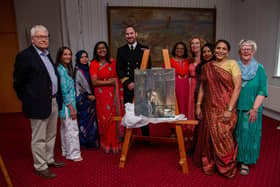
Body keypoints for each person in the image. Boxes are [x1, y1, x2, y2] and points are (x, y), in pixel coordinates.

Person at [13, 25, 64, 179]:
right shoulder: (25, 56)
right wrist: (29, 99)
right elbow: (18, 83)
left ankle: (49, 159)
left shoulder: (47, 54)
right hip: (37, 104)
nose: (43, 39)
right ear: (32, 39)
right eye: (40, 37)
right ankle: (40, 166)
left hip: (53, 101)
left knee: (51, 134)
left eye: (46, 36)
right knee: (39, 137)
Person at [194, 39, 241, 178]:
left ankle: (227, 165)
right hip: (209, 107)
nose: (220, 51)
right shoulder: (207, 66)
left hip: (226, 106)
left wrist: (229, 109)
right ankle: (211, 162)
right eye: (218, 48)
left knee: (224, 134)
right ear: (214, 50)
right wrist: (198, 105)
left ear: (228, 51)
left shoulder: (232, 64)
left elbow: (237, 87)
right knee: (209, 136)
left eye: (224, 49)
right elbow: (203, 87)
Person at [235, 40, 268, 175]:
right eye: (243, 49)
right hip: (235, 107)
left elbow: (262, 90)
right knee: (235, 134)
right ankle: (234, 158)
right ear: (239, 52)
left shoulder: (259, 68)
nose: (246, 51)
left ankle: (245, 162)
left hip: (252, 109)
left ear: (253, 52)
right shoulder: (234, 67)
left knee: (249, 135)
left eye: (249, 49)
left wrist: (255, 108)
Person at [116, 26, 151, 138]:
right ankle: (129, 138)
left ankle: (146, 138)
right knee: (129, 113)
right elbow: (119, 69)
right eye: (127, 34)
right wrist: (127, 83)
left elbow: (148, 68)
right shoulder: (121, 50)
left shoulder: (144, 49)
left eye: (131, 33)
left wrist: (139, 83)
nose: (129, 36)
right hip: (128, 87)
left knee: (143, 113)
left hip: (141, 87)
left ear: (136, 34)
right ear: (125, 36)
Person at [90, 41, 124, 153]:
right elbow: (94, 82)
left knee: (115, 118)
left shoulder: (113, 62)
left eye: (103, 48)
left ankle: (117, 143)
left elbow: (118, 76)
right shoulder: (94, 64)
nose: (101, 50)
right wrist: (109, 82)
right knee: (105, 119)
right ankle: (107, 143)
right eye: (99, 48)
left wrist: (114, 83)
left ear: (107, 49)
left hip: (114, 94)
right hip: (102, 96)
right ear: (96, 51)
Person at [56, 47, 83, 162]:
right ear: (60, 56)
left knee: (65, 129)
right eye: (65, 54)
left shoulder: (65, 69)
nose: (68, 56)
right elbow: (64, 90)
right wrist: (71, 108)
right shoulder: (61, 70)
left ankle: (66, 151)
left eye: (69, 54)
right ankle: (74, 154)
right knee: (72, 129)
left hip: (66, 104)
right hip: (68, 105)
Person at [74, 50, 99, 148]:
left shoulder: (89, 68)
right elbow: (77, 87)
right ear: (78, 59)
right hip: (84, 101)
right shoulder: (78, 71)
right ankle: (84, 143)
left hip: (93, 99)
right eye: (82, 57)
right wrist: (87, 95)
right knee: (84, 122)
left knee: (93, 122)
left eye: (86, 57)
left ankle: (93, 142)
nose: (84, 59)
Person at [168, 42, 189, 136]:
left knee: (184, 106)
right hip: (174, 87)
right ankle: (173, 130)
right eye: (177, 48)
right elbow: (165, 75)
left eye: (182, 48)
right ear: (174, 49)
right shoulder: (169, 61)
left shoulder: (187, 61)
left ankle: (183, 130)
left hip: (185, 87)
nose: (179, 50)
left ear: (184, 50)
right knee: (175, 107)